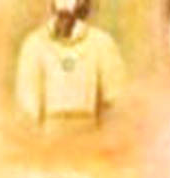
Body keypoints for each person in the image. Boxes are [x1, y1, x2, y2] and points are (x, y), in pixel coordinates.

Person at [14, 0, 126, 130]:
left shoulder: (101, 43)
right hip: (50, 135)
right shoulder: (34, 44)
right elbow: (28, 101)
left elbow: (115, 98)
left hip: (90, 133)